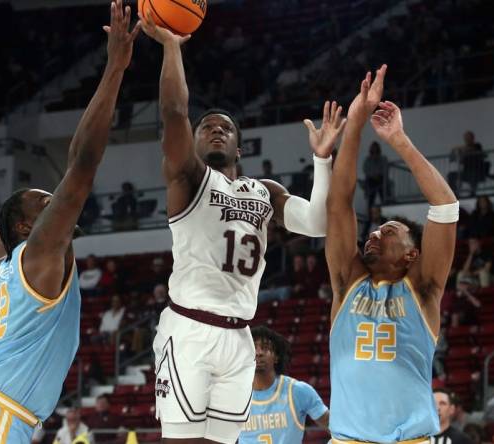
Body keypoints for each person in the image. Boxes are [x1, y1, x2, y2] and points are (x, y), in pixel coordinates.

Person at [141, 10, 342, 443]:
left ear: (240, 144)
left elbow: (319, 222)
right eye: (206, 127)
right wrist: (172, 48)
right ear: (192, 143)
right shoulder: (189, 177)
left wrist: (322, 161)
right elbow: (175, 111)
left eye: (225, 127)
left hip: (240, 338)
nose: (215, 131)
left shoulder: (264, 190)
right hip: (189, 330)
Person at [0, 5, 139, 442]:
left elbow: (1, 272)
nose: (57, 204)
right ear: (29, 230)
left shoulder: (17, 267)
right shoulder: (36, 256)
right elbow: (83, 164)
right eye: (44, 204)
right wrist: (115, 68)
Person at [325, 66, 459, 442]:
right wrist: (355, 121)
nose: (374, 233)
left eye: (388, 232)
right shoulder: (346, 283)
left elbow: (446, 206)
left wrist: (399, 141)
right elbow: (339, 203)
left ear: (412, 255)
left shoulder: (424, 289)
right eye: (375, 229)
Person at [240, 326, 328, 444]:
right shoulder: (236, 394)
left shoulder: (298, 391)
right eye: (254, 348)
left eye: (265, 348)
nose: (259, 353)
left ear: (276, 357)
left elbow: (336, 429)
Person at [362, 141, 388, 208]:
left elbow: (384, 169)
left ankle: (385, 212)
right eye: (373, 148)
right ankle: (370, 215)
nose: (374, 150)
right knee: (371, 200)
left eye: (376, 148)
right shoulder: (368, 160)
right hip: (371, 181)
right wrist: (373, 175)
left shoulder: (383, 159)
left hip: (380, 180)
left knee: (384, 198)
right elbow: (365, 169)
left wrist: (378, 174)